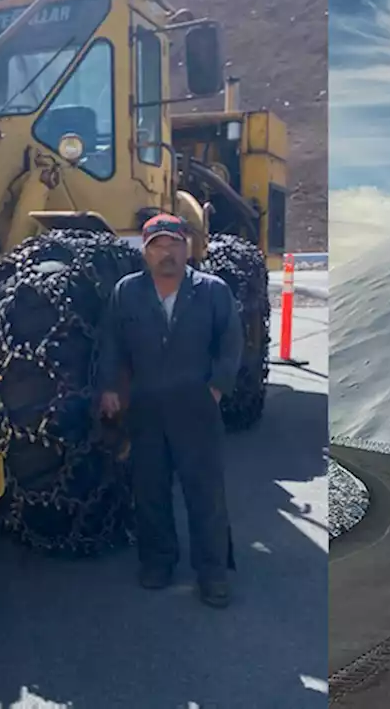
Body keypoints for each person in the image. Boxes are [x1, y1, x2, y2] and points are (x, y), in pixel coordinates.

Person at [96, 213, 244, 608]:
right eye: (158, 245)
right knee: (151, 491)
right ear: (145, 252)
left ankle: (212, 573)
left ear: (188, 248)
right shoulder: (126, 292)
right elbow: (111, 343)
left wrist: (216, 388)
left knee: (205, 494)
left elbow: (231, 344)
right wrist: (110, 387)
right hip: (146, 409)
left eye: (175, 244)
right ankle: (158, 561)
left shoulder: (213, 292)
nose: (167, 253)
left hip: (196, 409)